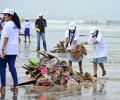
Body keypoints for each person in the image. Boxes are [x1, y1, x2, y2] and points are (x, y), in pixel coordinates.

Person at [0, 8, 21, 94]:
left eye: (5, 15)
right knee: (12, 67)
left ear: (10, 16)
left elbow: (6, 38)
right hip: (14, 50)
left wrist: (3, 50)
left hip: (6, 50)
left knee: (2, 67)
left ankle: (3, 86)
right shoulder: (16, 25)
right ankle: (16, 86)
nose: (4, 16)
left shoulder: (7, 25)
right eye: (4, 14)